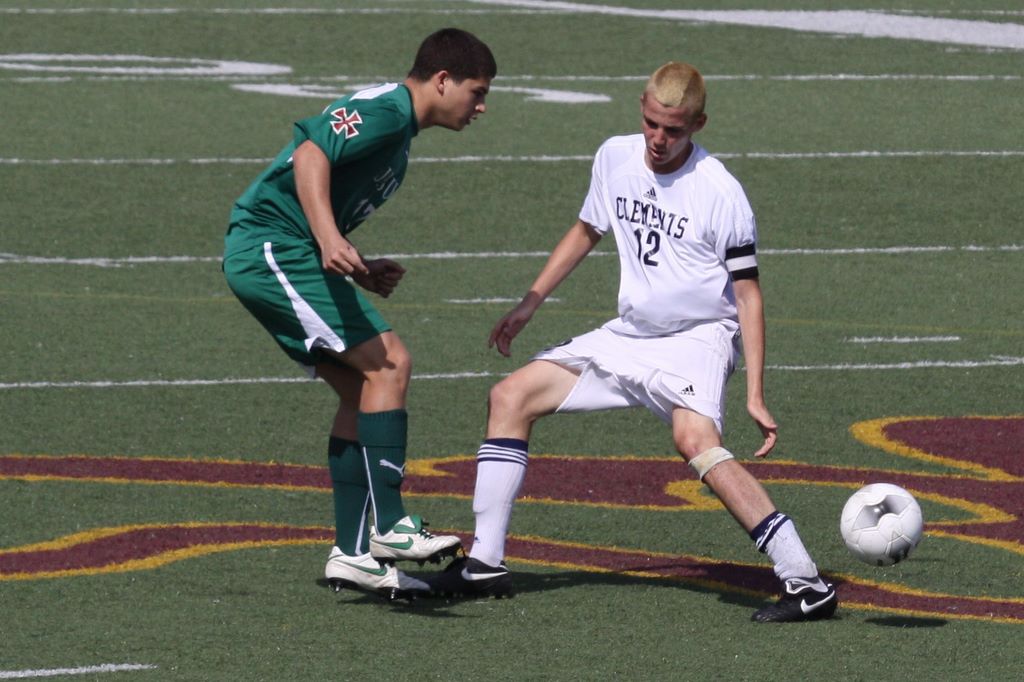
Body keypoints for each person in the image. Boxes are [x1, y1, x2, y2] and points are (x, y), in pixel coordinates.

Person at [426, 62, 837, 622]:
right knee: (510, 396)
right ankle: (485, 564)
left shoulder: (720, 192)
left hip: (698, 338)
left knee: (694, 441)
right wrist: (530, 303)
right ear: (641, 107)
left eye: (674, 130)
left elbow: (748, 298)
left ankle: (806, 582)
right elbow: (586, 229)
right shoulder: (615, 157)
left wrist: (755, 393)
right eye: (651, 124)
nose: (659, 139)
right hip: (630, 335)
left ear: (698, 125)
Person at [222, 28, 496, 601]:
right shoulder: (388, 111)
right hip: (270, 249)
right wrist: (328, 238)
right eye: (477, 92)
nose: (481, 107)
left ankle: (351, 555)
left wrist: (358, 266)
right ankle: (391, 525)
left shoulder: (399, 132)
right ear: (442, 80)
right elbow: (310, 152)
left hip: (287, 253)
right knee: (391, 363)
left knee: (362, 391)